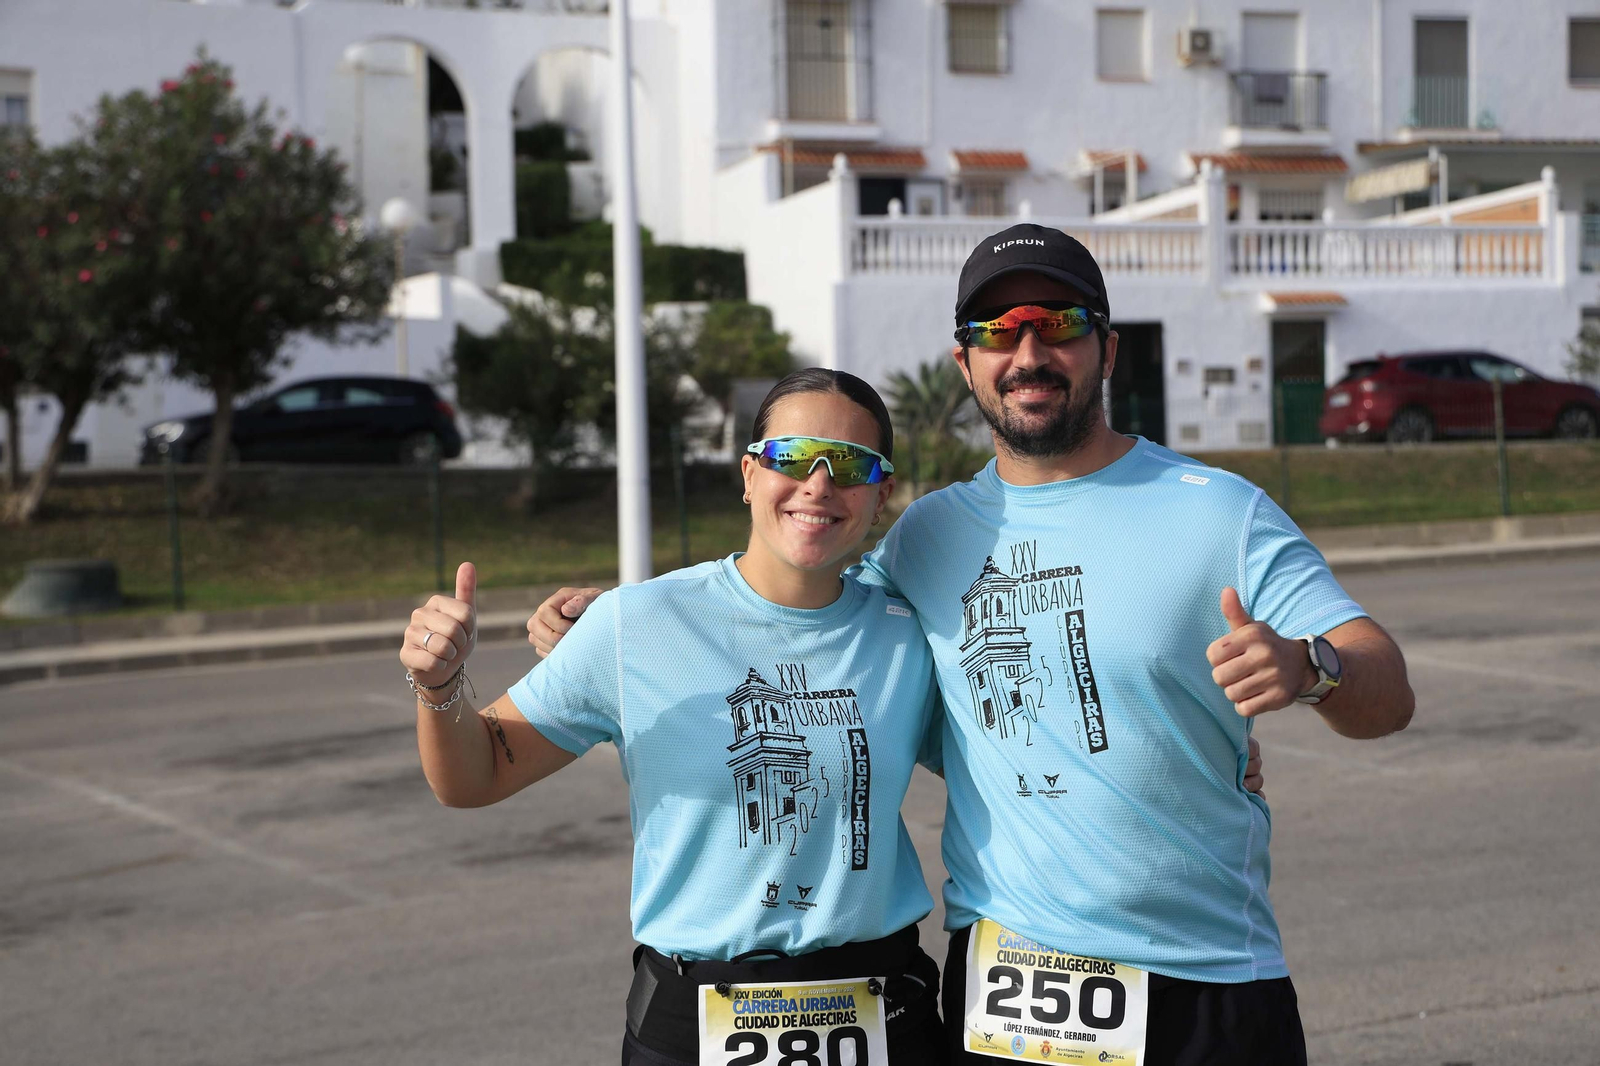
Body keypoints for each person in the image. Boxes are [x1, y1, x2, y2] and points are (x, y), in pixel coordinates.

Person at [531, 225, 1413, 1065]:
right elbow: (789, 604)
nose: (1028, 353)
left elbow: (1385, 688)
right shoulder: (926, 537)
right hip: (1005, 995)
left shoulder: (1220, 510)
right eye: (998, 332)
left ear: (1107, 348)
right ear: (967, 362)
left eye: (1059, 327)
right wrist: (628, 621)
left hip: (1206, 983)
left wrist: (1311, 670)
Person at [400, 369, 951, 1065]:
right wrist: (439, 685)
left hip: (885, 1018)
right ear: (749, 474)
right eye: (790, 458)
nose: (817, 484)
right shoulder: (638, 622)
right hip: (695, 1023)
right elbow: (474, 775)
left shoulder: (912, 631)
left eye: (848, 464)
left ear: (881, 495)